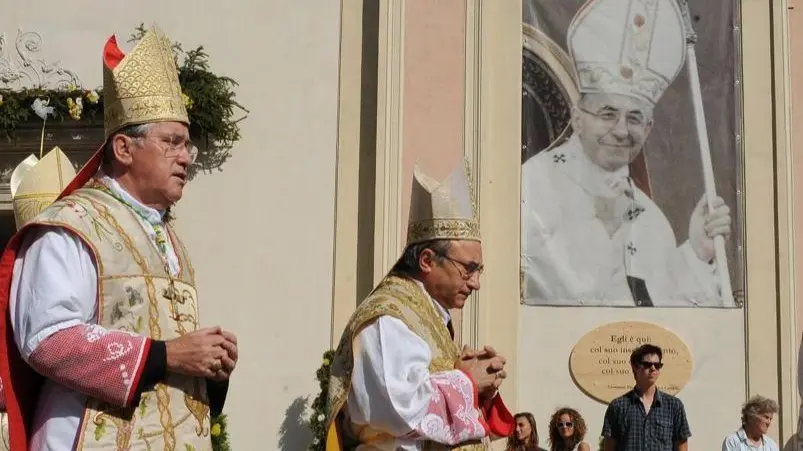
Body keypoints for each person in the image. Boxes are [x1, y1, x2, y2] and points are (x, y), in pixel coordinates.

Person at [0, 24, 238, 450]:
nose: (185, 157)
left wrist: (209, 369)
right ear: (125, 149)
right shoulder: (74, 224)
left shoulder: (169, 238)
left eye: (188, 146)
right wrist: (168, 356)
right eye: (172, 142)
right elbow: (47, 338)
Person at [520, 0, 733, 307]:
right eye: (608, 114)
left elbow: (663, 313)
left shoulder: (651, 219)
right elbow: (549, 297)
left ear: (648, 129)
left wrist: (697, 253)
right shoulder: (533, 186)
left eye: (634, 118)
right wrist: (602, 230)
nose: (622, 130)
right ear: (578, 119)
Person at [325, 163, 514, 450]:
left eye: (480, 271)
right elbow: (396, 407)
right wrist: (466, 381)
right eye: (468, 268)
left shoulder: (430, 315)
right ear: (427, 260)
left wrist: (476, 378)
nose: (476, 283)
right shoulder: (388, 317)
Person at [602, 344, 690, 451]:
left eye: (657, 365)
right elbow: (610, 447)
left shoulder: (674, 406)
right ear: (635, 367)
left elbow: (681, 446)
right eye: (647, 364)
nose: (653, 368)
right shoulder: (618, 406)